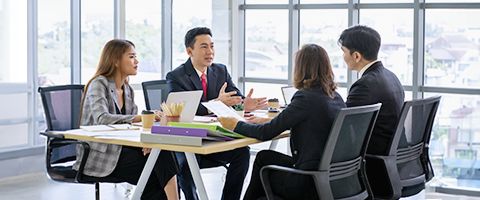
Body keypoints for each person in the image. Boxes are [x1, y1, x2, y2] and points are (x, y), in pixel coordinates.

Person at [218, 44, 346, 200]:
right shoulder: (335, 97)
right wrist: (264, 120)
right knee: (265, 158)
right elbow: (311, 124)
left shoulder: (305, 97)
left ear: (301, 68)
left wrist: (235, 124)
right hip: (331, 179)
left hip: (308, 181)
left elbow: (265, 133)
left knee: (262, 162)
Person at [166, 27, 266, 200]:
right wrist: (216, 104)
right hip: (189, 141)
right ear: (189, 51)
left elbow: (235, 98)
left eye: (212, 46)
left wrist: (244, 104)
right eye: (204, 47)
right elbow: (182, 112)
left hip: (214, 139)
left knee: (242, 153)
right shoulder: (176, 76)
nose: (210, 51)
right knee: (186, 161)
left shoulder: (220, 71)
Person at [75, 39, 178, 200]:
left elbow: (135, 126)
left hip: (122, 149)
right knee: (155, 175)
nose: (137, 61)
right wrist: (142, 117)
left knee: (160, 155)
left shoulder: (127, 89)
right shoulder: (98, 84)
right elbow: (102, 118)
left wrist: (147, 142)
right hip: (100, 156)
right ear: (115, 60)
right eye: (131, 57)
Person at [338, 25, 405, 195]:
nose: (343, 56)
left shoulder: (364, 85)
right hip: (391, 160)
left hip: (371, 163)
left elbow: (343, 130)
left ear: (356, 56)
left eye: (343, 51)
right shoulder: (391, 77)